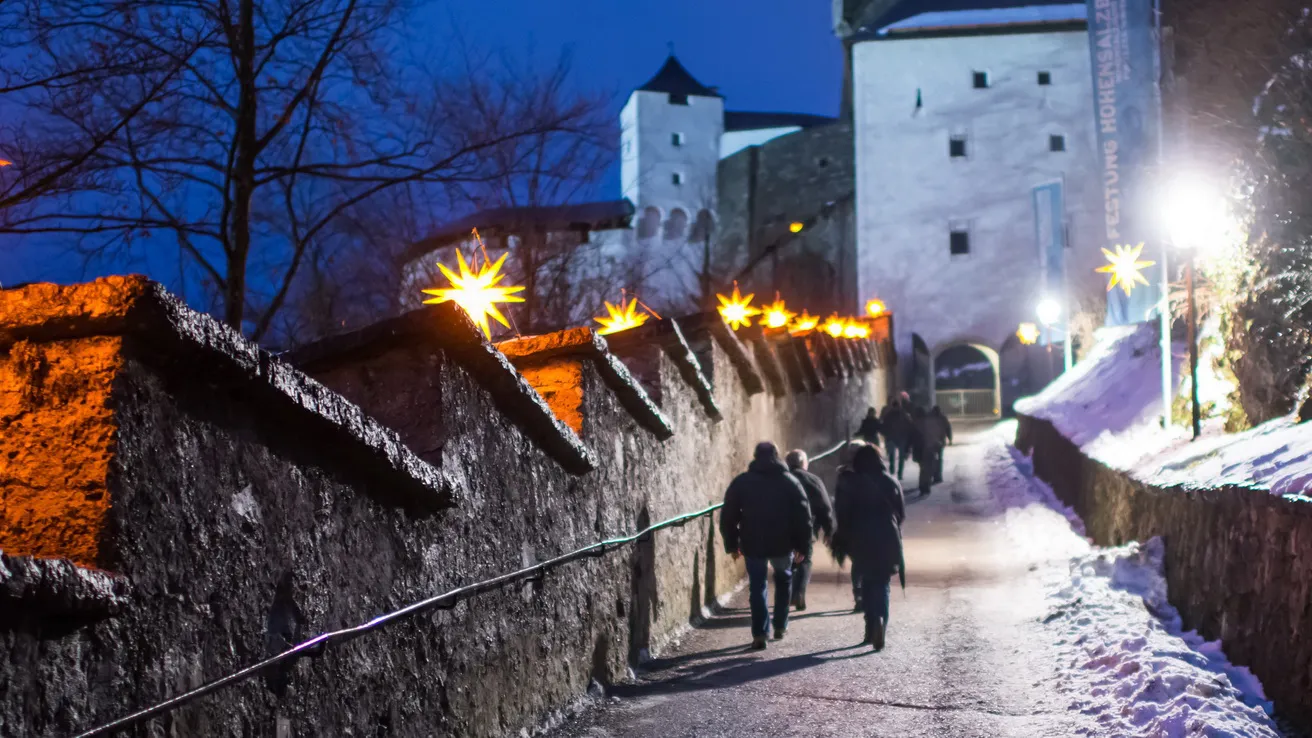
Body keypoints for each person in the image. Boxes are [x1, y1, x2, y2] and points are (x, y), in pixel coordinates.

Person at [720, 441, 813, 650]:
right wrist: (803, 546)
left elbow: (728, 515)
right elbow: (803, 516)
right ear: (777, 456)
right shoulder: (790, 481)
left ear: (755, 456)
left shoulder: (742, 482)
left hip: (753, 542)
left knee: (757, 586)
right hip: (783, 542)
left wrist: (732, 544)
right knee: (784, 580)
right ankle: (780, 625)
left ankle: (760, 633)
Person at [831, 444, 905, 650]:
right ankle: (880, 620)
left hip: (860, 538)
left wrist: (843, 538)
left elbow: (842, 513)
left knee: (867, 580)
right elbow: (900, 514)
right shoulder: (890, 481)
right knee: (882, 582)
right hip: (887, 537)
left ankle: (870, 626)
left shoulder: (851, 483)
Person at [784, 449, 834, 612]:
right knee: (805, 560)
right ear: (804, 463)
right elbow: (825, 506)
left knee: (787, 560)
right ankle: (799, 592)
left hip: (784, 528)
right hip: (808, 527)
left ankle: (787, 593)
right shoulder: (813, 480)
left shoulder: (780, 479)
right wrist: (828, 530)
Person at [830, 439, 869, 611]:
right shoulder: (872, 473)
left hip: (851, 527)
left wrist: (840, 526)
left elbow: (840, 504)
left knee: (858, 562)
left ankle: (859, 594)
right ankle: (866, 595)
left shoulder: (844, 475)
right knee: (868, 561)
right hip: (868, 525)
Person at [879, 400, 912, 480]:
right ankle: (899, 473)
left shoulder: (889, 415)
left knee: (892, 456)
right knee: (901, 457)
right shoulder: (904, 414)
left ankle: (892, 471)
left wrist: (886, 435)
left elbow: (883, 426)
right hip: (901, 438)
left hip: (892, 438)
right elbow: (909, 425)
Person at [928, 406, 954, 483]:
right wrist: (950, 439)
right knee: (939, 459)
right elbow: (948, 429)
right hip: (940, 442)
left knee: (932, 459)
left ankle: (933, 475)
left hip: (931, 442)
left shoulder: (930, 418)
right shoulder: (943, 418)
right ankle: (938, 476)